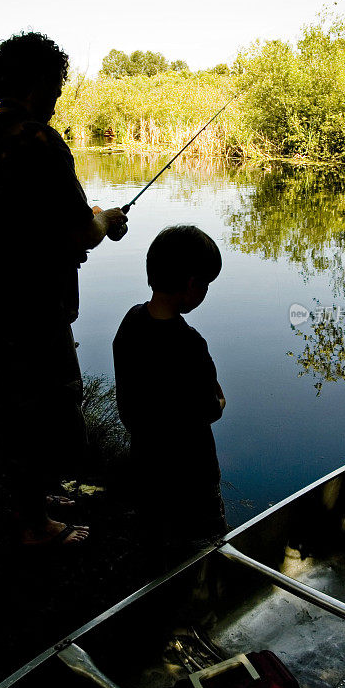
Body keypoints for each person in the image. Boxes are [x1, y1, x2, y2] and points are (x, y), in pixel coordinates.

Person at [0, 32, 127, 546]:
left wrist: (81, 220)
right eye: (55, 83)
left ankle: (29, 501)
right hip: (35, 304)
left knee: (10, 404)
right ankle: (36, 526)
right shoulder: (40, 141)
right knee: (49, 408)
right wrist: (108, 219)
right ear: (37, 82)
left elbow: (7, 218)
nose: (57, 95)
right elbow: (78, 233)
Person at [112, 225, 227, 565]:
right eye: (205, 285)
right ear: (193, 285)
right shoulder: (189, 343)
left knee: (155, 535)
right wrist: (219, 400)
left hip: (146, 461)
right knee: (204, 542)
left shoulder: (130, 322)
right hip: (191, 473)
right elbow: (210, 406)